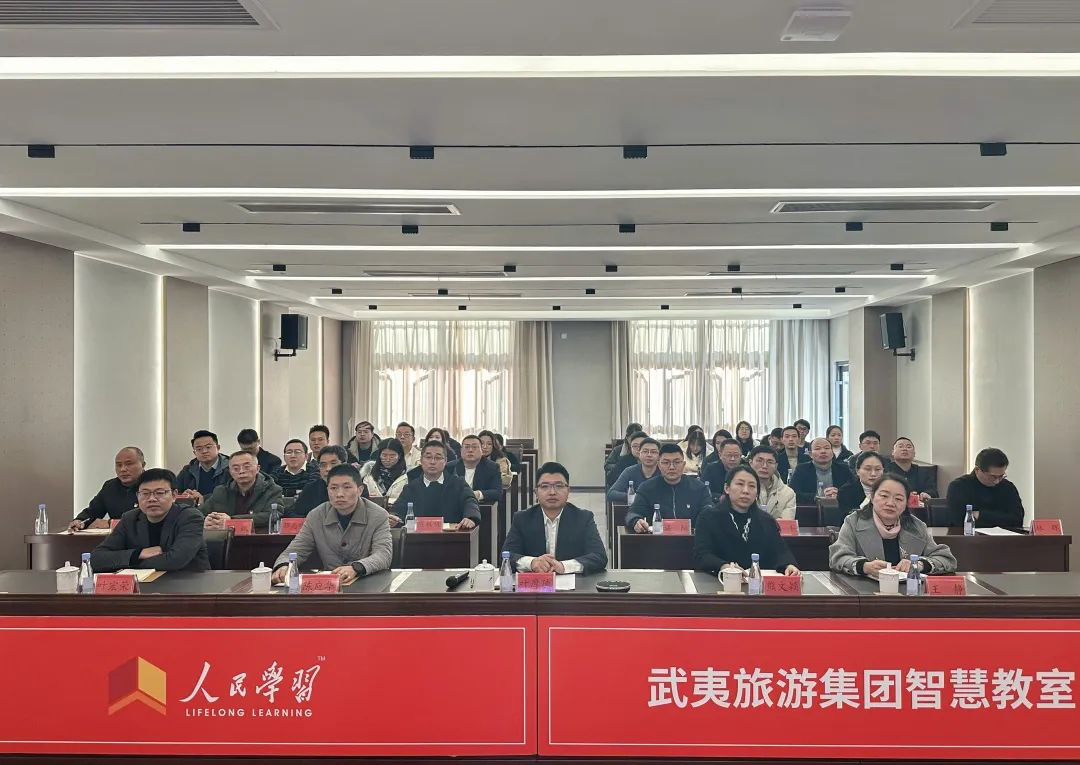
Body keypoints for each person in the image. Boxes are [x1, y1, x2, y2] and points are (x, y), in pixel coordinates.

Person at [271, 464, 392, 584]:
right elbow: (296, 549)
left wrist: (356, 568)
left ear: (360, 490)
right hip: (329, 584)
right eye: (333, 488)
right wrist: (284, 565)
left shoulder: (378, 515)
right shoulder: (316, 515)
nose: (339, 494)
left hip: (367, 581)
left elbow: (383, 554)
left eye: (347, 487)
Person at [829, 473, 956, 578]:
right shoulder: (853, 522)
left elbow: (946, 559)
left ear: (906, 503)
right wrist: (864, 567)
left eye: (899, 499)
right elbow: (838, 557)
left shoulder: (916, 526)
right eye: (884, 496)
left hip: (908, 594)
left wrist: (919, 565)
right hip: (863, 592)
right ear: (872, 497)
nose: (890, 503)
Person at [90, 468, 209, 573]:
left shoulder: (190, 517)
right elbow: (97, 559)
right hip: (144, 586)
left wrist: (131, 562)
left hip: (188, 584)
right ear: (137, 496)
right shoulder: (130, 518)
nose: (152, 499)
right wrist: (139, 554)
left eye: (159, 493)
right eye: (145, 493)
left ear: (174, 495)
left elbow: (176, 560)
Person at [692, 465, 800, 576]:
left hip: (757, 583)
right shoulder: (709, 517)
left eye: (752, 486)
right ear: (727, 488)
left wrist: (789, 565)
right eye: (740, 484)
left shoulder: (766, 521)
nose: (746, 491)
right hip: (720, 580)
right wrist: (724, 566)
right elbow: (702, 554)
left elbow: (781, 551)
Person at [502, 462, 607, 575]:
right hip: (536, 583)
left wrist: (564, 566)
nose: (552, 492)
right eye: (545, 486)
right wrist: (532, 563)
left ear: (568, 491)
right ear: (536, 492)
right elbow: (507, 556)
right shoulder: (522, 519)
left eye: (559, 486)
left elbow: (599, 556)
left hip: (574, 583)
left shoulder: (583, 518)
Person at [391, 441, 480, 528]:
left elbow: (470, 501)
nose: (432, 462)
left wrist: (470, 518)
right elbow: (398, 510)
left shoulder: (457, 483)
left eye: (438, 458)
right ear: (421, 460)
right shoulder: (411, 487)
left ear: (445, 461)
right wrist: (394, 518)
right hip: (418, 536)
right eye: (428, 457)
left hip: (451, 535)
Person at [626, 444, 713, 533]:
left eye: (676, 462)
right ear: (659, 465)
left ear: (683, 465)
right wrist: (636, 521)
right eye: (666, 463)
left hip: (692, 539)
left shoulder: (699, 488)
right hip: (656, 539)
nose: (671, 467)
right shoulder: (646, 488)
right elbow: (633, 513)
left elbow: (708, 510)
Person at [200, 451, 284, 531]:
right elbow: (200, 514)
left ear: (257, 468)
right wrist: (207, 520)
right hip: (225, 538)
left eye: (246, 467)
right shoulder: (221, 491)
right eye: (236, 468)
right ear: (230, 471)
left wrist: (231, 521)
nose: (241, 471)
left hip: (259, 538)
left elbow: (272, 515)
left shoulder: (273, 490)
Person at [945, 448, 1025, 528]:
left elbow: (1017, 520)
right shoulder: (959, 487)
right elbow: (960, 521)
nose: (997, 481)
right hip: (967, 535)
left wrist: (980, 515)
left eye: (1001, 476)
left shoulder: (1008, 487)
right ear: (977, 470)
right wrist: (1000, 519)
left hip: (1003, 535)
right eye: (993, 477)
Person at [68, 447, 144, 530]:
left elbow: (148, 521)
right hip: (117, 537)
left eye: (129, 464)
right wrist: (80, 521)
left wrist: (111, 523)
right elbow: (92, 512)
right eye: (119, 465)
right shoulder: (110, 487)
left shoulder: (151, 484)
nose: (122, 469)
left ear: (143, 465)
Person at [790, 437, 855, 504]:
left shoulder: (844, 469)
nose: (823, 451)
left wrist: (839, 495)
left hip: (839, 507)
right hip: (812, 507)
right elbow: (793, 493)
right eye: (817, 449)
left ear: (832, 452)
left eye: (827, 448)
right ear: (810, 454)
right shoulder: (802, 469)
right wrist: (817, 497)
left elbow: (854, 492)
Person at [289, 445, 347, 517]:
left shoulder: (354, 487)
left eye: (333, 464)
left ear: (344, 465)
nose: (328, 469)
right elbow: (294, 513)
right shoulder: (311, 488)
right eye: (323, 465)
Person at [175, 430, 230, 505]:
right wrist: (184, 496)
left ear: (218, 447)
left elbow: (231, 494)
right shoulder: (188, 470)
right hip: (192, 510)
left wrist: (203, 498)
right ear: (194, 452)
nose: (204, 451)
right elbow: (174, 492)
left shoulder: (230, 468)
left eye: (208, 447)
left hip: (221, 509)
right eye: (199, 449)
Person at [447, 434, 503, 503]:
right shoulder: (450, 467)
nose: (470, 450)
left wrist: (478, 494)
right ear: (461, 450)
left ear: (481, 450)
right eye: (467, 447)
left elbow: (497, 492)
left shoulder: (492, 467)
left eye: (474, 447)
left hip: (479, 506)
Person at [607, 437, 660, 504]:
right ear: (639, 454)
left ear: (659, 456)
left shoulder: (664, 472)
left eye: (653, 452)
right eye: (645, 451)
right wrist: (634, 497)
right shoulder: (630, 471)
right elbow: (611, 493)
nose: (649, 455)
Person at [749, 445, 796, 520]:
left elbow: (786, 522)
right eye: (760, 461)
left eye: (770, 462)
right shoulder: (741, 490)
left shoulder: (788, 493)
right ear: (751, 463)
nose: (764, 466)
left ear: (776, 465)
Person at [884, 437, 937, 502]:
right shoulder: (885, 471)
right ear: (893, 452)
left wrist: (927, 494)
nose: (904, 449)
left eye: (908, 447)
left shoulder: (923, 472)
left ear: (914, 453)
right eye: (900, 446)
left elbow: (933, 491)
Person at [835, 451, 886, 520]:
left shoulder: (890, 489)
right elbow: (846, 518)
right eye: (868, 469)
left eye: (877, 469)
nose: (873, 474)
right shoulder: (846, 491)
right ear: (857, 471)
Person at [359, 438, 409, 503]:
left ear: (399, 456)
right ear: (379, 455)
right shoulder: (368, 473)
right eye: (384, 455)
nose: (388, 459)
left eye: (392, 456)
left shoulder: (407, 475)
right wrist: (367, 497)